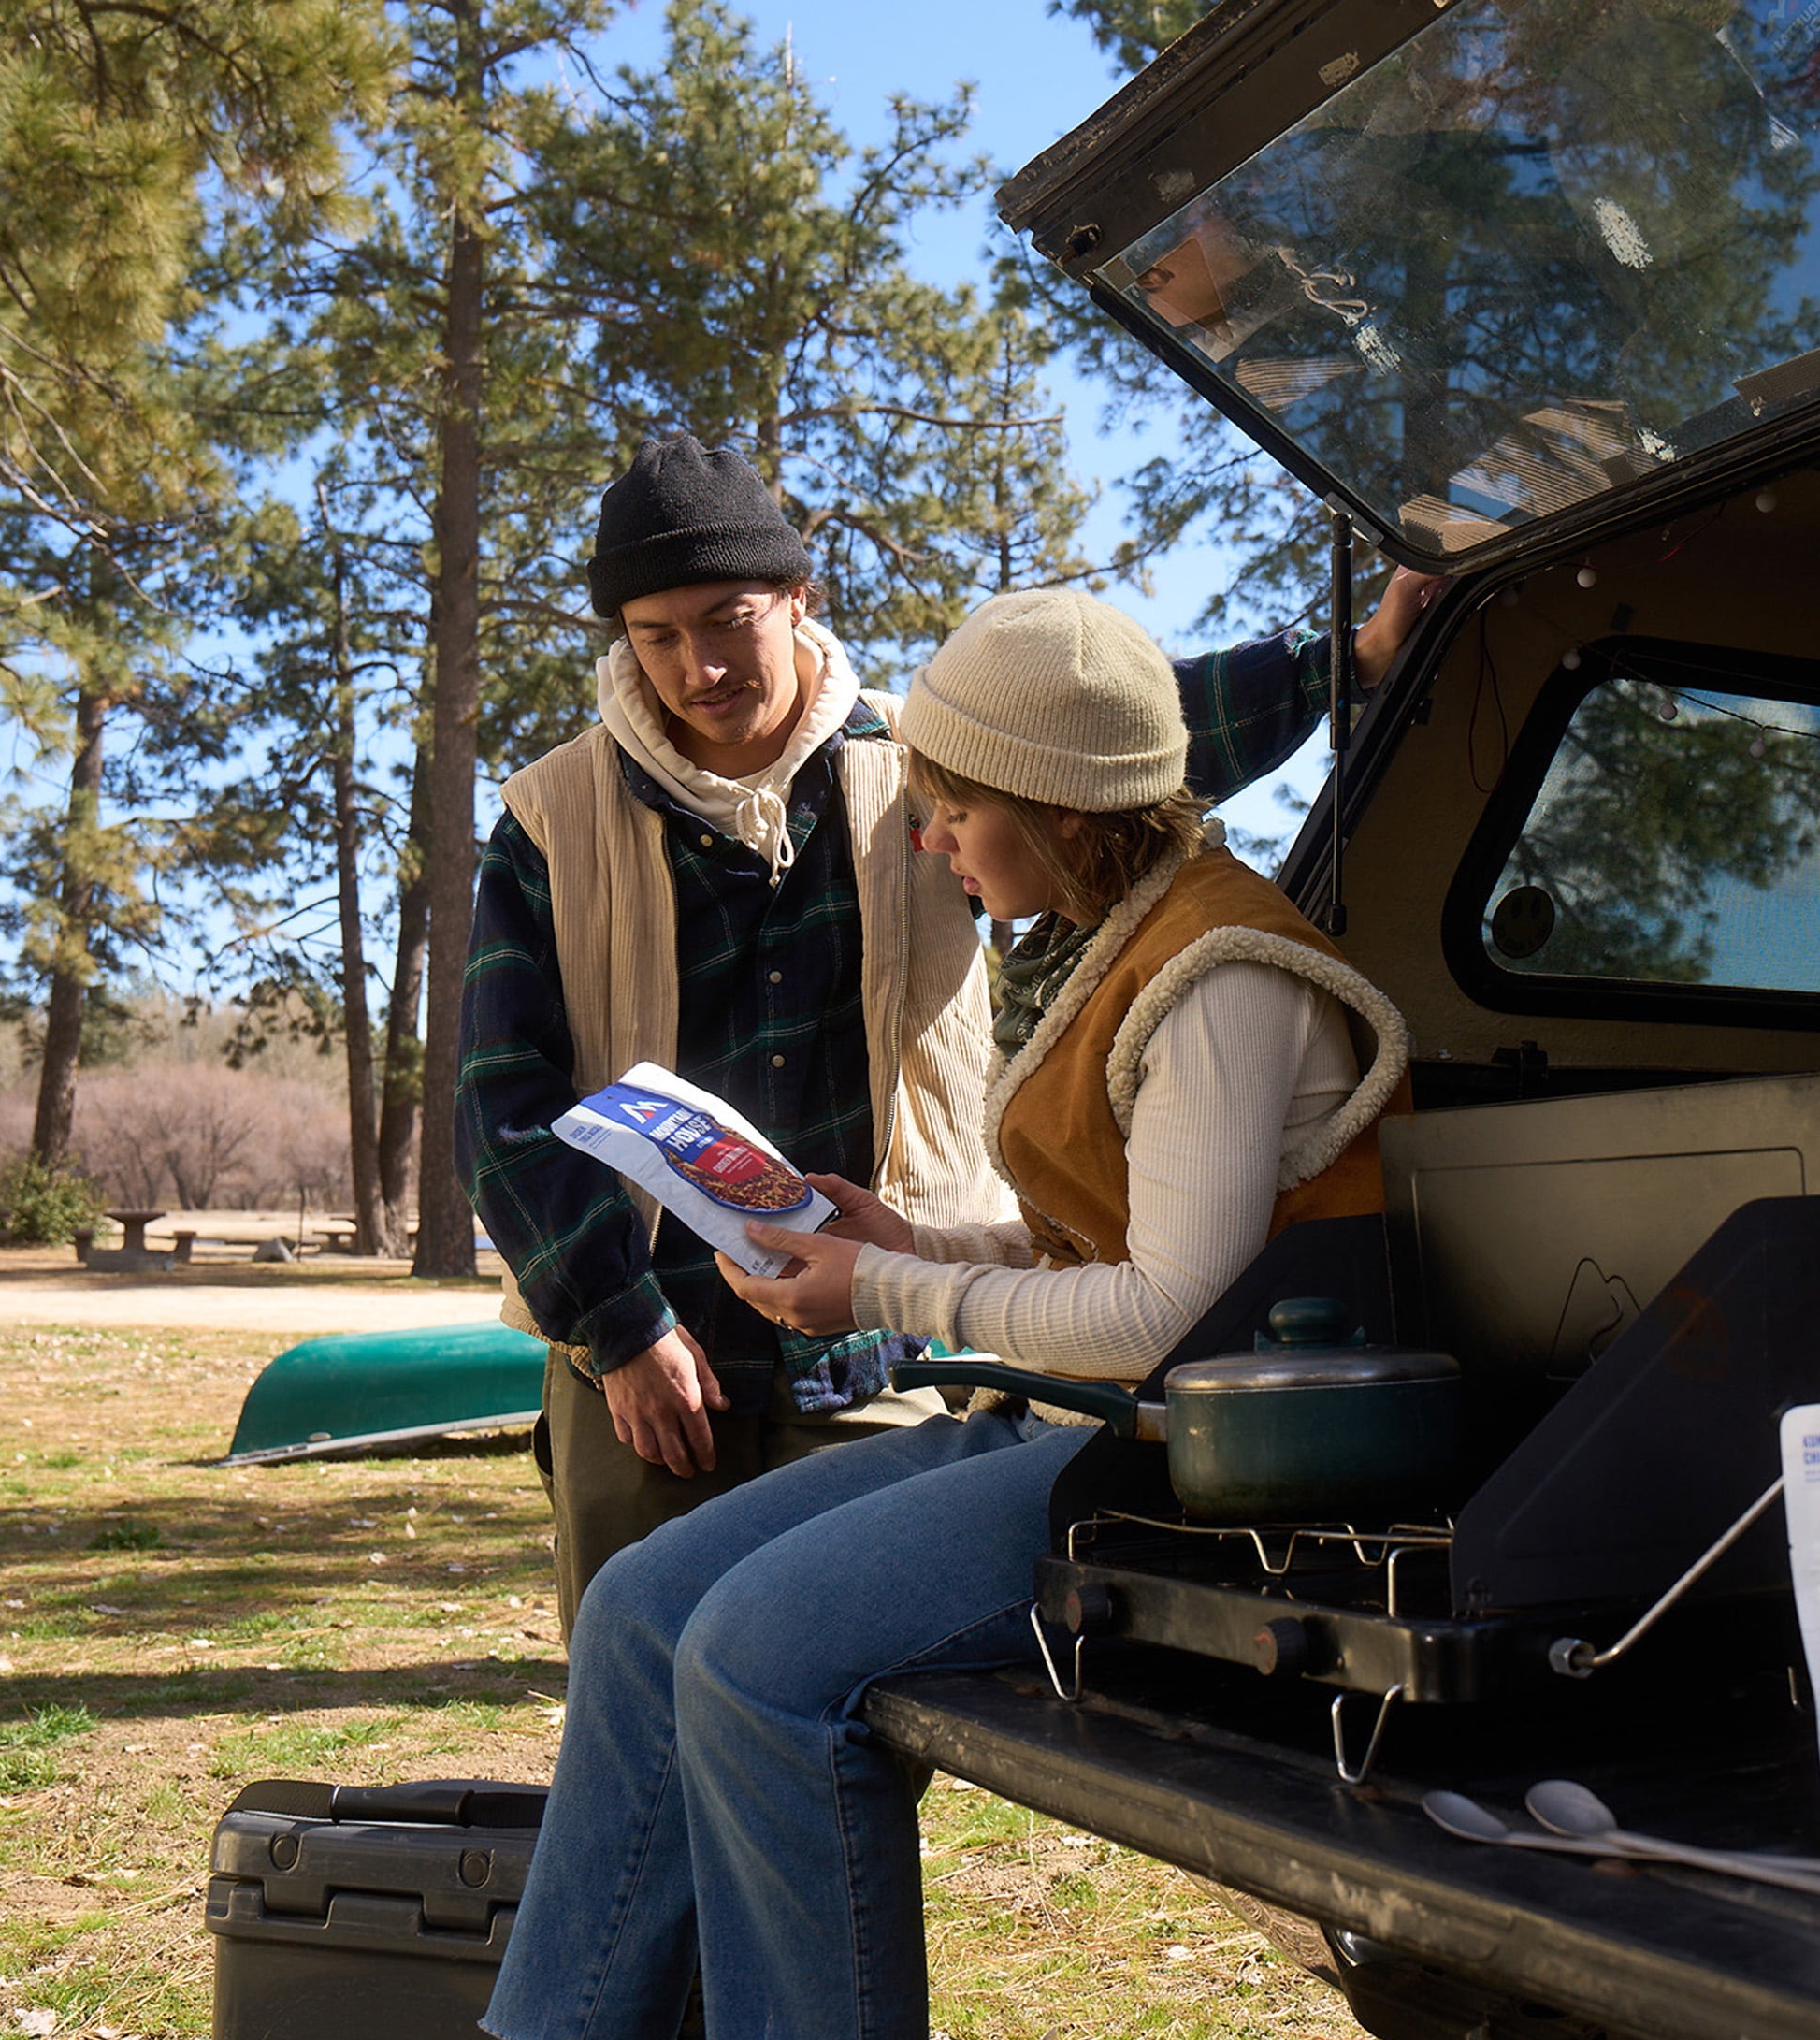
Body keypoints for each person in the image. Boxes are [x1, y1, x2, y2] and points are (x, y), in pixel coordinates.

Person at [479, 586, 1411, 2040]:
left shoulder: (1221, 980)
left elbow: (1172, 1317)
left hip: (1184, 1474)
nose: (927, 839)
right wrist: (913, 1235)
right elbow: (1101, 1237)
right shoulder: (1121, 934)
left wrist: (893, 1290)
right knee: (642, 1609)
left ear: (1054, 808)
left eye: (952, 806)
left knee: (759, 1664)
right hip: (1056, 1416)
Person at [454, 431, 1435, 1638]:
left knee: (832, 1701)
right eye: (657, 636)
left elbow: (1118, 740)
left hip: (884, 1339)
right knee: (636, 1649)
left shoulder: (930, 758)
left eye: (729, 619)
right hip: (655, 1352)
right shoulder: (547, 819)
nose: (699, 667)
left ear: (798, 600)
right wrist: (619, 1327)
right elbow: (501, 1107)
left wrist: (1357, 654)